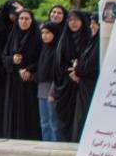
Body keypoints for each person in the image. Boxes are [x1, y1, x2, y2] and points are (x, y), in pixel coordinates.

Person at [0, 6, 41, 141]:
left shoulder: (37, 37)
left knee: (28, 112)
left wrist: (29, 69)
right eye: (21, 18)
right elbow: (4, 57)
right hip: (13, 80)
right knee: (13, 111)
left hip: (29, 81)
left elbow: (42, 58)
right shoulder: (13, 36)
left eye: (27, 19)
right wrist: (12, 59)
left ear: (32, 20)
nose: (24, 21)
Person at [52, 10, 87, 143]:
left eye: (76, 20)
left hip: (82, 85)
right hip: (66, 86)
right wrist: (70, 71)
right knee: (65, 121)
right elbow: (58, 64)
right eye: (70, 20)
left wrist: (79, 71)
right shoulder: (64, 39)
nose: (73, 23)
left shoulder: (88, 39)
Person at [35, 20, 63, 142]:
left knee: (54, 123)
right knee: (44, 122)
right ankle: (46, 145)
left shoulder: (58, 49)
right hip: (42, 89)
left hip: (53, 89)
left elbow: (58, 72)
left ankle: (56, 147)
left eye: (47, 33)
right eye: (42, 33)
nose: (44, 36)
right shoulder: (44, 48)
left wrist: (53, 91)